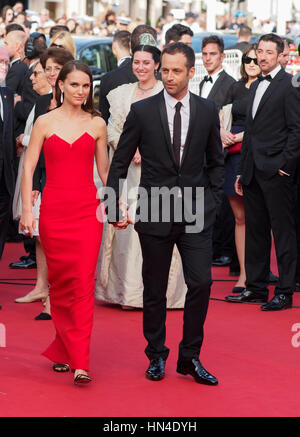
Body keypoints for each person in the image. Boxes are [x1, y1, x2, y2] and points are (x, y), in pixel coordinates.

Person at [106, 42, 223, 385]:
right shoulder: (143, 111)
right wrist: (113, 205)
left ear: (191, 72)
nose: (168, 76)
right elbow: (121, 162)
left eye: (176, 70)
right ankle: (156, 354)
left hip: (196, 212)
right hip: (155, 210)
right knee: (154, 288)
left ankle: (190, 356)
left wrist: (212, 202)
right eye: (165, 70)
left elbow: (216, 161)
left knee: (201, 282)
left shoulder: (206, 109)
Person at [20, 60, 109, 385]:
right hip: (54, 211)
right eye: (74, 85)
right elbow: (29, 167)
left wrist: (118, 204)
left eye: (86, 86)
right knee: (59, 286)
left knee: (83, 283)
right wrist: (28, 210)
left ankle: (80, 361)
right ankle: (63, 347)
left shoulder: (97, 123)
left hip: (87, 211)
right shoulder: (44, 121)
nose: (80, 91)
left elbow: (104, 172)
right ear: (61, 85)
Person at [96, 37, 186, 309]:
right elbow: (110, 128)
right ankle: (127, 293)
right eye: (137, 62)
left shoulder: (167, 93)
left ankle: (160, 294)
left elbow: (178, 131)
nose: (141, 67)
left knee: (158, 230)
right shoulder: (121, 94)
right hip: (127, 174)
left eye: (147, 63)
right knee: (127, 232)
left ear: (157, 65)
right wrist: (126, 146)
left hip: (160, 174)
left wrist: (146, 149)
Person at [225, 33, 300, 311]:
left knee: (282, 234)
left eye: (269, 51)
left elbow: (296, 130)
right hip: (253, 172)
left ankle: (284, 292)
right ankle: (255, 288)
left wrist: (285, 167)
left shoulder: (289, 85)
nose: (264, 56)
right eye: (260, 51)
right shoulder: (255, 86)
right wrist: (242, 172)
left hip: (277, 172)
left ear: (280, 55)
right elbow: (252, 133)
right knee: (256, 232)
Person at [15, 48, 74, 322]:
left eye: (55, 69)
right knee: (40, 236)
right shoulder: (40, 103)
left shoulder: (76, 101)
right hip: (44, 177)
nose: (51, 74)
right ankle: (41, 287)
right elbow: (36, 152)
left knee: (57, 241)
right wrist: (37, 182)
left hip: (68, 179)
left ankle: (54, 297)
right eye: (47, 69)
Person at [220, 44, 261, 293]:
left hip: (254, 154)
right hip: (231, 155)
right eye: (248, 59)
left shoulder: (266, 87)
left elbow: (267, 123)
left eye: (256, 59)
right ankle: (244, 275)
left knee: (257, 217)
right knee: (239, 217)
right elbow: (220, 115)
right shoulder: (234, 87)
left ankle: (258, 273)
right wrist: (222, 133)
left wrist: (239, 137)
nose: (252, 63)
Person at [199, 35, 237, 271]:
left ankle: (224, 250)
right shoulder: (202, 82)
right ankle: (213, 246)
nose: (207, 58)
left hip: (221, 152)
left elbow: (232, 119)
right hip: (201, 153)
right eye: (204, 54)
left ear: (222, 57)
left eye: (212, 54)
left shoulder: (230, 84)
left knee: (222, 204)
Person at [0, 46, 16, 260]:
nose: (4, 66)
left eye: (7, 62)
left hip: (5, 177)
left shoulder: (7, 94)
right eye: (0, 61)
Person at [4, 29, 28, 96]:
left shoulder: (17, 68)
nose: (4, 47)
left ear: (17, 46)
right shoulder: (22, 65)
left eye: (6, 43)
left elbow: (6, 96)